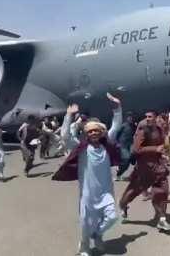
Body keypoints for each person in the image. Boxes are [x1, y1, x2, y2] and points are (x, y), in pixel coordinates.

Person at [52, 93, 122, 256]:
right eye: (90, 132)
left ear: (101, 132)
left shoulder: (106, 145)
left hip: (106, 191)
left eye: (96, 131)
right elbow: (65, 136)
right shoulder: (81, 148)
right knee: (86, 223)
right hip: (88, 194)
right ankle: (84, 247)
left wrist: (117, 108)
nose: (94, 134)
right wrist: (68, 116)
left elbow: (116, 126)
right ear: (86, 134)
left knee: (112, 217)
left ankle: (97, 235)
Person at [119, 111, 170, 232]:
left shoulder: (159, 129)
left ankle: (162, 219)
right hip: (145, 168)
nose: (147, 119)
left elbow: (162, 146)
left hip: (158, 167)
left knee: (162, 191)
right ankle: (123, 205)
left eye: (150, 117)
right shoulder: (143, 130)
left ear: (156, 118)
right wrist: (155, 149)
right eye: (146, 117)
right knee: (133, 190)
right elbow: (136, 149)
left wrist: (163, 154)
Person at [114, 112, 135, 181]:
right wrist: (117, 143)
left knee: (129, 160)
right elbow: (117, 134)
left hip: (130, 145)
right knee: (126, 158)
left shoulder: (133, 126)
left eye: (132, 117)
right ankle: (118, 173)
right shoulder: (123, 125)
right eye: (129, 117)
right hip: (122, 145)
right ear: (127, 118)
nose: (131, 119)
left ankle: (120, 169)